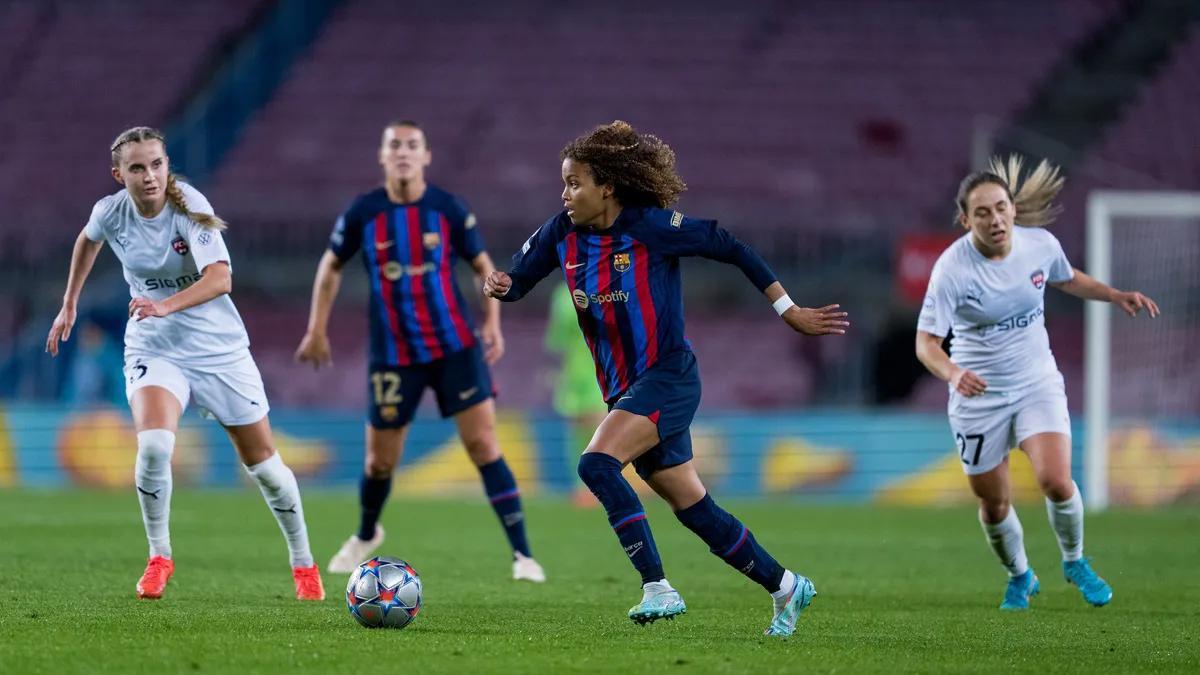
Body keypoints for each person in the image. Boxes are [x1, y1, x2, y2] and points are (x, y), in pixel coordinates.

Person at [484, 120, 849, 636]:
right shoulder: (559, 233)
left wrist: (786, 308)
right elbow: (515, 282)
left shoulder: (651, 228)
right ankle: (787, 586)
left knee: (596, 465)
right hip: (625, 389)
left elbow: (729, 245)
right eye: (564, 183)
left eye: (574, 182)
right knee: (693, 507)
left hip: (668, 377)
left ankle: (657, 587)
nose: (564, 194)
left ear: (606, 187)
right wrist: (499, 285)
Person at [46, 126, 324, 601]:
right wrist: (69, 302)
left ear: (166, 165)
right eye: (137, 167)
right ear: (119, 175)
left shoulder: (189, 207)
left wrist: (165, 305)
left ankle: (304, 566)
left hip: (218, 349)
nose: (150, 175)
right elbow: (86, 242)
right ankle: (160, 558)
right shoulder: (110, 213)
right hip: (154, 347)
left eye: (156, 164)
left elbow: (221, 278)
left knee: (265, 467)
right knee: (154, 447)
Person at [296, 120, 544, 582]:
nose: (404, 153)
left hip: (454, 347)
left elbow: (481, 266)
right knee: (379, 461)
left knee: (484, 444)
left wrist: (492, 321)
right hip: (394, 354)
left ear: (426, 156)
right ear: (382, 156)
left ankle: (523, 556)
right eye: (395, 145)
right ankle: (368, 533)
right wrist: (316, 330)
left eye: (412, 146)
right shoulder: (363, 212)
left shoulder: (447, 209)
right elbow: (330, 266)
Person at [915, 155, 1159, 610]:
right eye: (982, 212)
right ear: (965, 219)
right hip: (978, 396)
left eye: (1001, 207)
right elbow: (925, 343)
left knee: (1056, 480)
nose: (996, 219)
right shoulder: (952, 269)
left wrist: (1113, 294)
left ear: (1013, 209)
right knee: (994, 504)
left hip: (1035, 383)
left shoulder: (1040, 245)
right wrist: (954, 372)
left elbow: (1067, 279)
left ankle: (1075, 560)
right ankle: (1020, 575)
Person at [544, 282, 608, 506]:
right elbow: (557, 340)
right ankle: (582, 488)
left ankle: (602, 486)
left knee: (601, 430)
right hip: (574, 372)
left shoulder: (605, 287)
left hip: (600, 369)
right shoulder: (562, 294)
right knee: (578, 432)